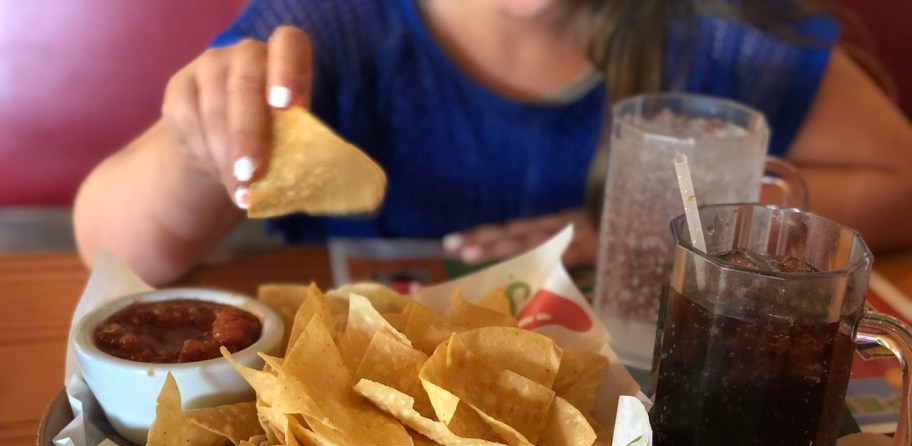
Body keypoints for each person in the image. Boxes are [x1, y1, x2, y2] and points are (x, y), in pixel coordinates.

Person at [73, 0, 912, 286]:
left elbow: (898, 179)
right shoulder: (332, 27)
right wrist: (197, 148)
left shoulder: (722, 36)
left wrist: (649, 222)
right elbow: (119, 253)